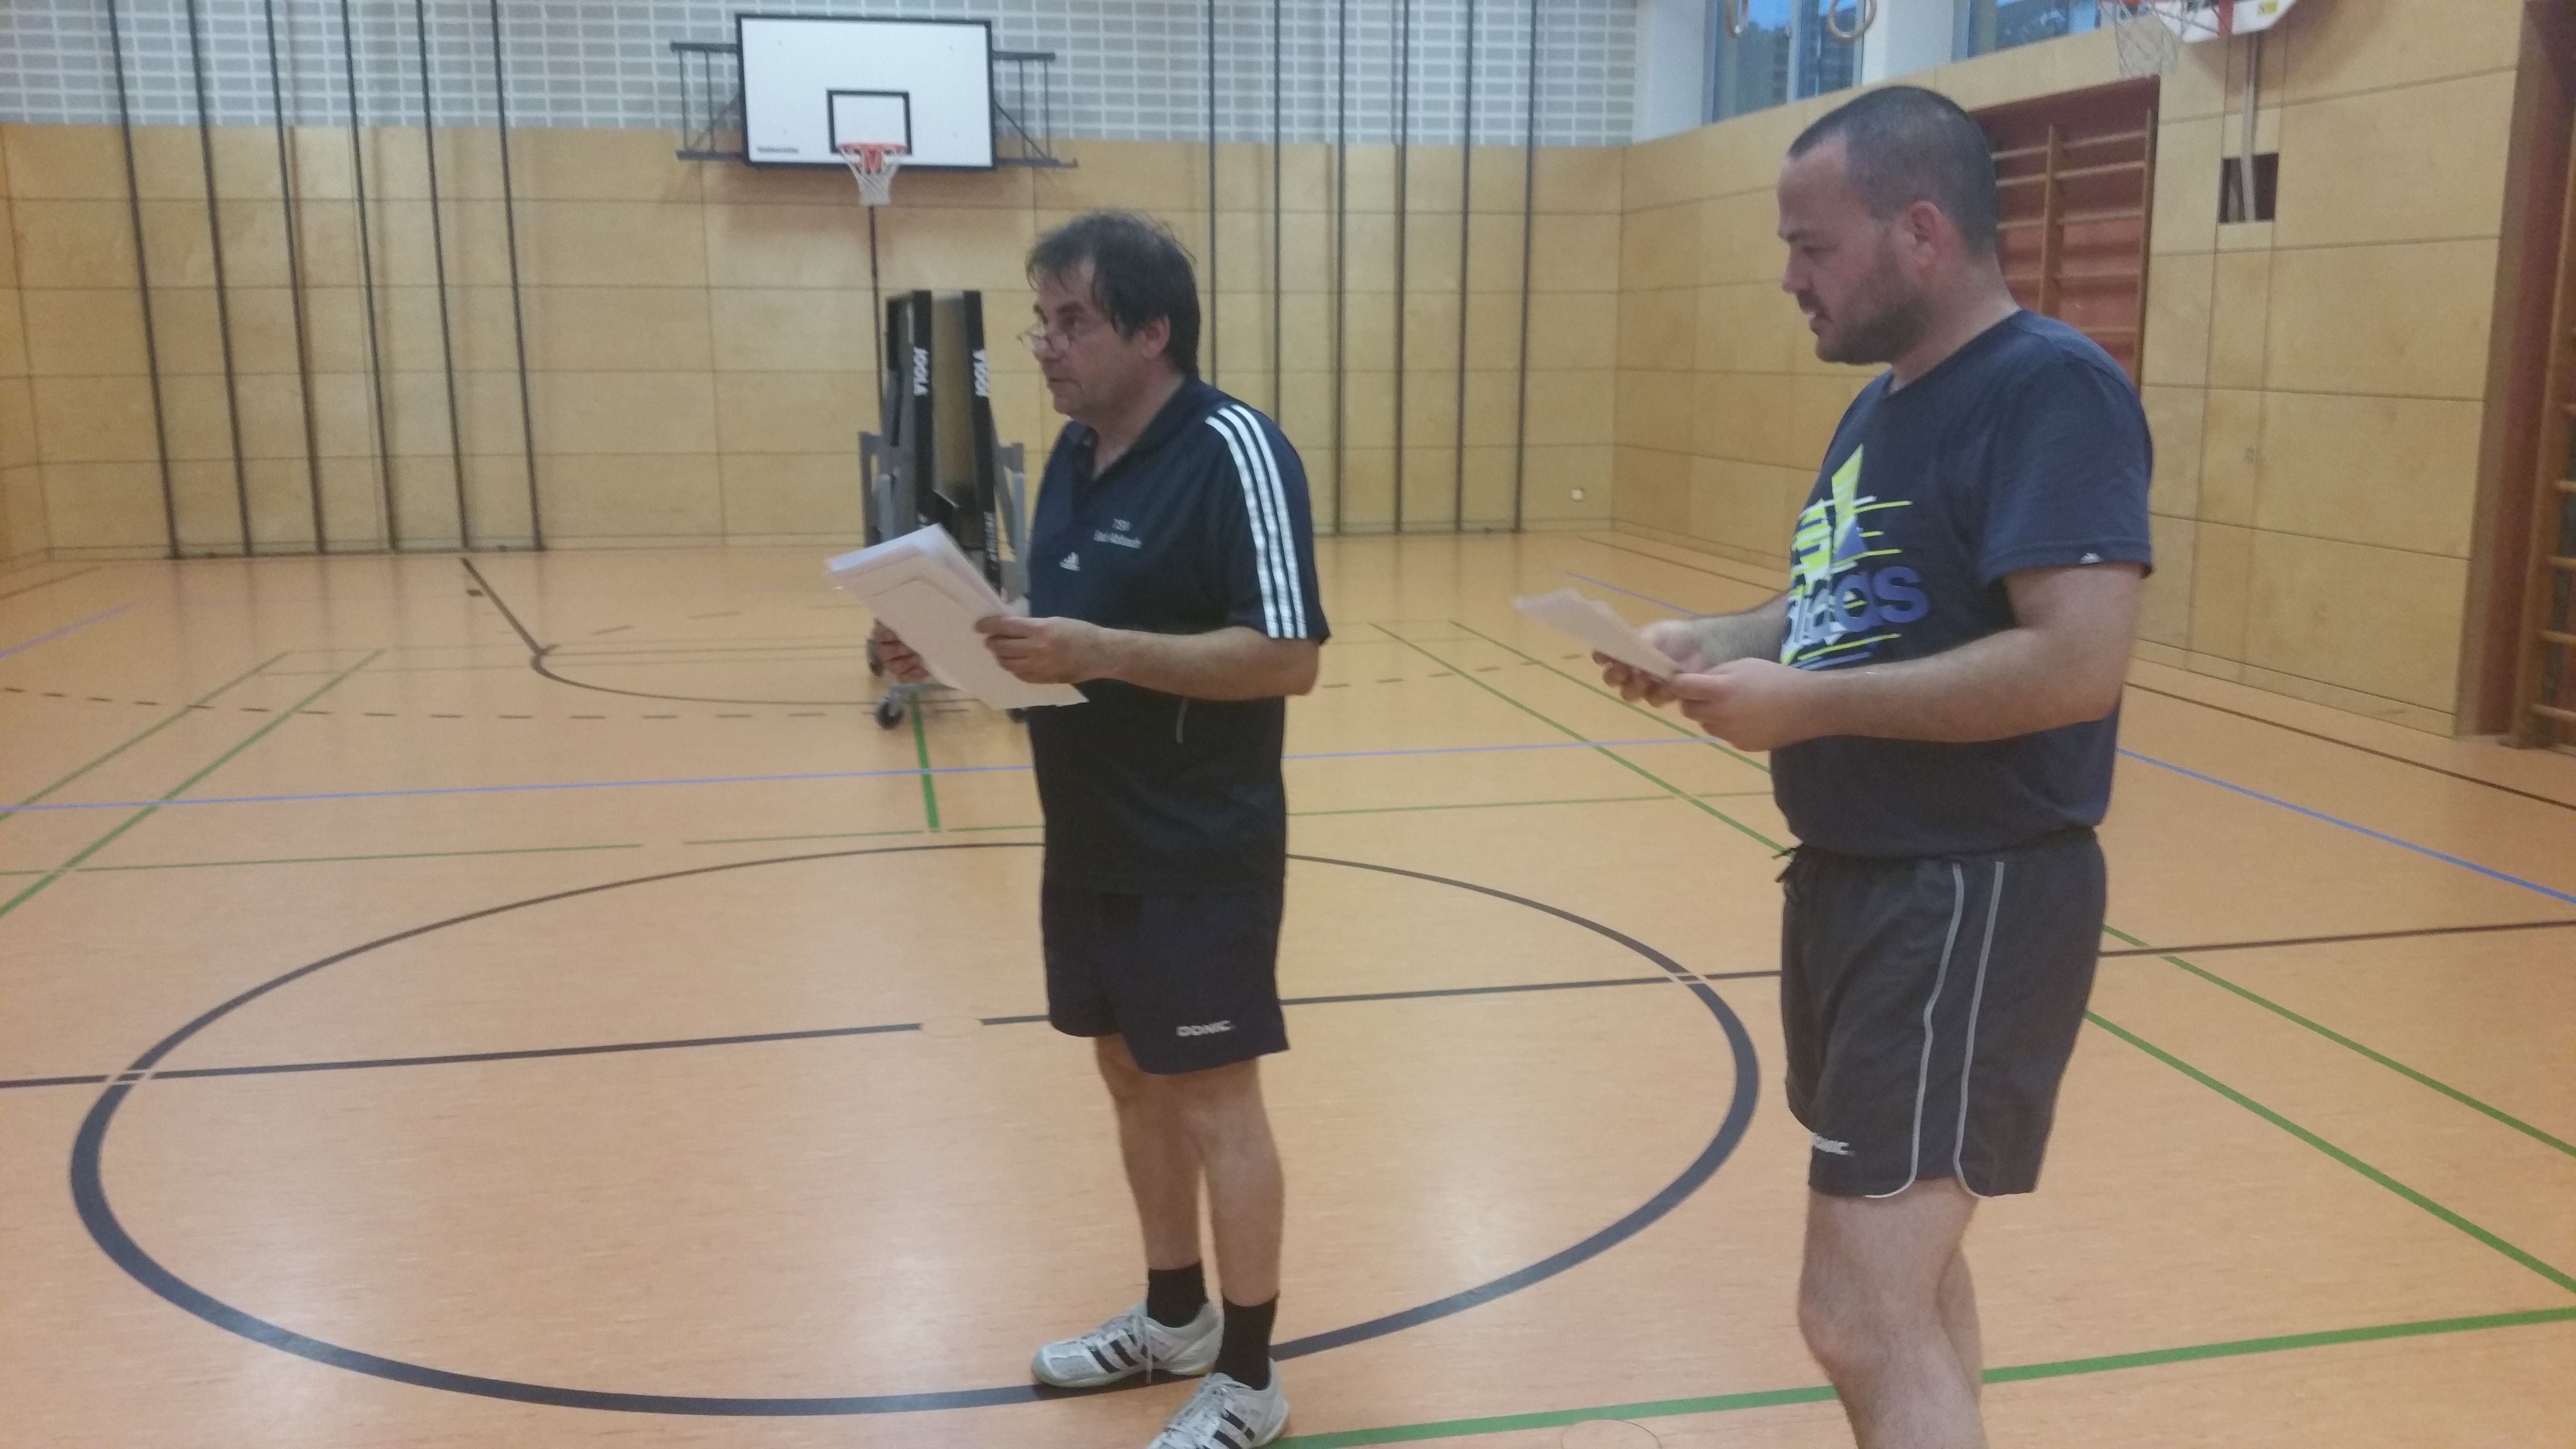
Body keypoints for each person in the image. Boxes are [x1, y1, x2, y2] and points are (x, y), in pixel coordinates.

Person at [1598, 87, 2151, 1449]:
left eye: (1813, 246)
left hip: (1965, 894)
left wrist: (1808, 705)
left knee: (1854, 1309)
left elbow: (2076, 661)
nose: (1790, 278)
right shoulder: (1882, 409)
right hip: (1860, 889)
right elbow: (1840, 611)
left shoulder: (2051, 388)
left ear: (1919, 231)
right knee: (1912, 1283)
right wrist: (1713, 643)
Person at [874, 210, 1325, 1449]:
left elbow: (1287, 655)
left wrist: (1099, 651)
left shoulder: (1236, 450)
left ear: (1152, 330)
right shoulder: (1074, 455)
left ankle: (1249, 1376)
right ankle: (1173, 1318)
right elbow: (1059, 641)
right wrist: (959, 646)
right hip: (1086, 834)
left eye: (1071, 321)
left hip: (1199, 846)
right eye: (1041, 321)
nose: (1045, 345)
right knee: (1128, 1074)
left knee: (1215, 1099)